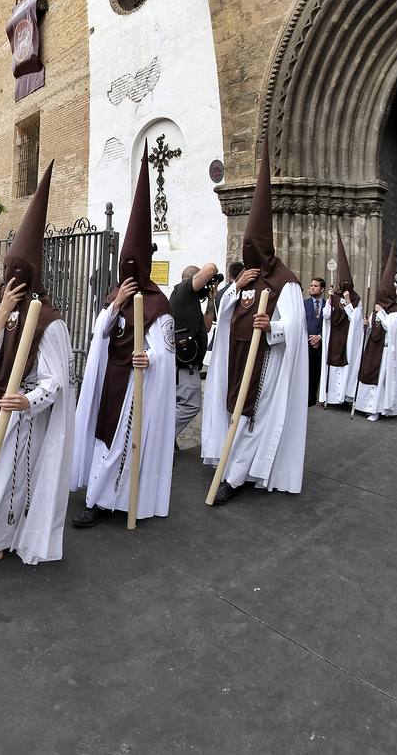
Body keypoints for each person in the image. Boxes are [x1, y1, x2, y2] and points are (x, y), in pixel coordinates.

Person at [0, 162, 74, 571]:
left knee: (10, 479)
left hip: (22, 415)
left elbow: (56, 380)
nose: (8, 281)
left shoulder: (50, 322)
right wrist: (0, 314)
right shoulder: (9, 313)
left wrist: (28, 400)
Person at [72, 156, 176, 528]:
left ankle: (104, 502)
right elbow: (100, 333)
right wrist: (114, 306)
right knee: (104, 440)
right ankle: (99, 497)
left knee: (122, 443)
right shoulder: (114, 296)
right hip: (111, 380)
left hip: (135, 384)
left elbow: (166, 351)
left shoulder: (159, 305)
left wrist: (150, 359)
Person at [201, 149, 308, 504]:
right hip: (235, 357)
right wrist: (235, 286)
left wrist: (272, 327)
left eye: (253, 248)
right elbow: (224, 310)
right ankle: (231, 460)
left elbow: (292, 328)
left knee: (253, 416)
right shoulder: (244, 281)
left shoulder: (285, 283)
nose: (249, 255)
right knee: (234, 410)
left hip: (265, 364)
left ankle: (235, 477)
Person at [353, 246, 397, 422]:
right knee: (368, 374)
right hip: (373, 347)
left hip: (385, 351)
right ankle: (364, 405)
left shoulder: (395, 310)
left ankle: (377, 408)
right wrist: (367, 324)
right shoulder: (378, 308)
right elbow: (372, 327)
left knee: (380, 379)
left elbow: (391, 329)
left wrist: (381, 313)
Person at [167, 261, 219, 442]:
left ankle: (165, 440)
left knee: (178, 404)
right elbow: (211, 268)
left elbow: (205, 327)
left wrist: (211, 298)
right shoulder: (183, 290)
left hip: (188, 363)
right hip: (184, 364)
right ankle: (162, 439)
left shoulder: (190, 299)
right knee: (190, 405)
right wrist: (211, 278)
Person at [318, 232, 363, 407]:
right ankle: (329, 397)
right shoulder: (333, 296)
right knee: (332, 367)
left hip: (347, 337)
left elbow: (356, 319)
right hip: (334, 336)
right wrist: (329, 301)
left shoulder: (356, 298)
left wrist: (349, 302)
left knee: (344, 368)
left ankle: (343, 398)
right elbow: (326, 316)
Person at [304, 277, 326, 405]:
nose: (312, 287)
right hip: (306, 344)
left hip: (322, 345)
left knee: (317, 373)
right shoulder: (304, 304)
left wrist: (320, 337)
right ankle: (305, 398)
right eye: (311, 285)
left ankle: (314, 398)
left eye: (315, 286)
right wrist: (311, 338)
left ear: (322, 289)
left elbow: (332, 325)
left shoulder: (328, 305)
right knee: (306, 372)